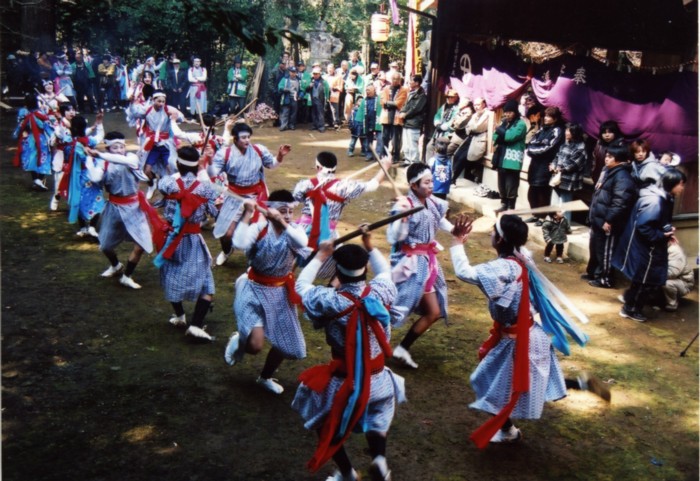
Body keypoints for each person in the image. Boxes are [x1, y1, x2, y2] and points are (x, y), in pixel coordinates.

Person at [448, 214, 607, 447]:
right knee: (526, 382)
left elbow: (465, 273)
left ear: (501, 240)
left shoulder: (506, 267)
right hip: (530, 335)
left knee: (485, 382)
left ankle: (509, 430)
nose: (491, 234)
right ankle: (580, 385)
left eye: (494, 231)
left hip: (519, 340)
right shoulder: (521, 258)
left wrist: (457, 242)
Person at [292, 234, 404, 481]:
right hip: (380, 380)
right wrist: (370, 246)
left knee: (322, 420)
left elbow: (301, 286)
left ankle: (347, 474)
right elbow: (385, 271)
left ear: (338, 273)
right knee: (379, 417)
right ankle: (379, 460)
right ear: (365, 268)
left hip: (345, 382)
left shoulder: (328, 299)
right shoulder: (383, 291)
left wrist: (321, 255)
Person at [223, 191, 311, 394]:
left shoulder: (294, 230)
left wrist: (283, 221)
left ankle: (265, 377)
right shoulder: (260, 229)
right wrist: (247, 213)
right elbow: (240, 242)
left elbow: (303, 243)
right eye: (282, 211)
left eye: (290, 211)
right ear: (270, 210)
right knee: (255, 346)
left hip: (280, 294)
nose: (287, 215)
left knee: (288, 345)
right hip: (253, 289)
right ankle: (240, 341)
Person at [387, 163, 454, 369]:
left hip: (428, 264)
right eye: (427, 182)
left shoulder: (432, 202)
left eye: (432, 181)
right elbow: (393, 237)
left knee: (433, 312)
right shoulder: (403, 205)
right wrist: (403, 219)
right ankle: (368, 342)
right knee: (395, 309)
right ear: (414, 186)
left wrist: (456, 232)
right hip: (409, 265)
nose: (431, 186)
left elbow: (439, 220)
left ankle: (402, 349)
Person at [293, 151, 392, 278]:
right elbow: (372, 185)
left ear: (318, 167)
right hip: (327, 233)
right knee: (341, 264)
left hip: (303, 230)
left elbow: (296, 197)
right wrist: (385, 166)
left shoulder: (305, 184)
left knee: (296, 252)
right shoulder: (343, 186)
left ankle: (290, 273)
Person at [157, 146, 220, 341]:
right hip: (193, 239)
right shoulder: (206, 188)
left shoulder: (166, 183)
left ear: (177, 164)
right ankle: (195, 324)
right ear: (197, 165)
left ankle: (180, 316)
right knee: (207, 284)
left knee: (170, 275)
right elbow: (215, 213)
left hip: (170, 239)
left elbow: (164, 196)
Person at [209, 122, 291, 266]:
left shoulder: (258, 150)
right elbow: (213, 173)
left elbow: (271, 164)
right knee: (226, 234)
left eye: (248, 137)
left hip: (256, 195)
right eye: (243, 138)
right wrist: (208, 161)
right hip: (234, 196)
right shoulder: (225, 153)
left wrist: (279, 156)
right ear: (235, 139)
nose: (247, 140)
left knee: (259, 231)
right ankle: (226, 251)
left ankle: (255, 259)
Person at [613, 168, 686, 322]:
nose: (682, 188)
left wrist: (668, 232)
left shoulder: (666, 197)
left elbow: (659, 221)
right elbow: (644, 227)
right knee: (645, 279)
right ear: (671, 183)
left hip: (651, 245)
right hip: (646, 247)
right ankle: (630, 309)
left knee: (645, 278)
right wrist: (661, 235)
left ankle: (629, 301)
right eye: (681, 184)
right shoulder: (654, 201)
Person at [84, 131, 152, 289]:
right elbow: (94, 178)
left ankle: (127, 276)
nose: (120, 150)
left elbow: (120, 159)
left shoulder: (131, 158)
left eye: (122, 146)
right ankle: (115, 265)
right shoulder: (103, 163)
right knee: (105, 244)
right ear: (108, 148)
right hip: (114, 207)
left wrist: (99, 155)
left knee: (142, 243)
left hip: (134, 207)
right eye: (115, 147)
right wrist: (89, 157)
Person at [584, 144, 637, 289]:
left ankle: (605, 279)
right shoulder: (609, 171)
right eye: (606, 156)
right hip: (598, 218)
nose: (606, 159)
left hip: (609, 222)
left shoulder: (622, 177)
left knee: (605, 251)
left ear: (619, 159)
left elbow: (620, 202)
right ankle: (593, 273)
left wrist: (609, 220)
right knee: (595, 248)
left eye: (610, 157)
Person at [60, 114, 106, 237]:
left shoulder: (69, 144)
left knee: (78, 200)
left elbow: (65, 156)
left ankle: (83, 227)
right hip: (90, 174)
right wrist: (99, 123)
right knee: (96, 199)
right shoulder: (88, 141)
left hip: (76, 177)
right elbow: (100, 136)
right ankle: (91, 226)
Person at [525, 106, 565, 225]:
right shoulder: (542, 129)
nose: (546, 118)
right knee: (532, 190)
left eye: (549, 117)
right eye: (546, 116)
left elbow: (549, 148)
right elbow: (531, 144)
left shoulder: (557, 130)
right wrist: (533, 150)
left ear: (555, 119)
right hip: (535, 164)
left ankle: (542, 217)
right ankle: (535, 214)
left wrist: (534, 151)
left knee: (542, 190)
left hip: (545, 165)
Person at [492, 99, 527, 213]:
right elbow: (494, 137)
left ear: (515, 112)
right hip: (501, 156)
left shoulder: (521, 124)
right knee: (501, 182)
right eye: (506, 112)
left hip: (512, 159)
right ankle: (503, 204)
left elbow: (510, 137)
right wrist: (500, 131)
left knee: (511, 184)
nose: (507, 114)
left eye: (510, 112)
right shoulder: (504, 123)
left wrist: (499, 129)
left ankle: (511, 207)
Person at [13, 93, 53, 191]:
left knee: (31, 159)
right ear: (36, 102)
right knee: (44, 158)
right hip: (41, 139)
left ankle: (36, 180)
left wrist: (18, 134)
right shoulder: (41, 112)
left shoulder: (23, 112)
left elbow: (20, 126)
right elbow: (47, 125)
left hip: (28, 139)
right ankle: (39, 180)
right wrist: (53, 135)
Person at [550, 123, 587, 222]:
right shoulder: (565, 144)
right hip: (557, 177)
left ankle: (564, 226)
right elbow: (557, 156)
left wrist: (560, 168)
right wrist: (553, 165)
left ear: (575, 133)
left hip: (569, 179)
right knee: (555, 203)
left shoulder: (580, 147)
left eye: (569, 131)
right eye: (566, 130)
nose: (566, 133)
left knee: (565, 204)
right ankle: (554, 224)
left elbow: (574, 164)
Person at [452, 97, 489, 184]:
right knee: (457, 155)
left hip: (479, 138)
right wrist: (472, 126)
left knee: (463, 158)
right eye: (475, 105)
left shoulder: (487, 113)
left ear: (483, 104)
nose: (476, 107)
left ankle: (453, 178)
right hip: (470, 137)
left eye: (478, 104)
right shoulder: (475, 114)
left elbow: (477, 127)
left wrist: (472, 126)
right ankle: (452, 176)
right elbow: (467, 128)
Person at [398, 74, 427, 167]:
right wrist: (402, 112)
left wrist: (405, 114)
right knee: (406, 144)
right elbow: (405, 105)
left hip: (414, 123)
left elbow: (416, 108)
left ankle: (414, 163)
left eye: (412, 81)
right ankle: (407, 160)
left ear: (417, 83)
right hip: (406, 122)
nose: (410, 82)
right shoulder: (411, 92)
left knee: (412, 144)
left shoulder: (422, 95)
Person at [379, 72, 408, 164]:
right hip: (386, 116)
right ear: (391, 79)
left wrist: (389, 103)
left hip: (397, 117)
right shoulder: (386, 88)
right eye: (393, 78)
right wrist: (390, 103)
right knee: (385, 137)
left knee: (396, 139)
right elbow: (382, 101)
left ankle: (396, 155)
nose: (395, 80)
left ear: (400, 80)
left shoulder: (404, 90)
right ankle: (384, 154)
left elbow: (399, 103)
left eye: (397, 79)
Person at [660, 237, 695, 312]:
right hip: (676, 278)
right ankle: (659, 297)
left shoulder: (674, 251)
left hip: (684, 283)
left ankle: (672, 304)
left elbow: (671, 273)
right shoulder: (664, 248)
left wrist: (653, 274)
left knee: (666, 283)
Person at [426, 89, 460, 160]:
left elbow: (453, 121)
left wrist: (443, 127)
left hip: (447, 133)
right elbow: (437, 115)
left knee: (439, 150)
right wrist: (437, 123)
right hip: (438, 132)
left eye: (451, 97)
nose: (449, 98)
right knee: (429, 146)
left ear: (456, 98)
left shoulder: (457, 109)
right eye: (447, 97)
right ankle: (429, 166)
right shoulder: (444, 106)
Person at [354, 84, 383, 161]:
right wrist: (358, 123)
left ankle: (377, 155)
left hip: (378, 122)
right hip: (367, 122)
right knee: (368, 140)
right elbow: (360, 112)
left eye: (369, 90)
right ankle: (369, 154)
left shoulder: (380, 99)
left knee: (379, 139)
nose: (367, 92)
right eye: (366, 90)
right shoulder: (364, 101)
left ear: (374, 91)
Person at [278, 66, 300, 131]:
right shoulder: (284, 79)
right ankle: (283, 125)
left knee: (294, 112)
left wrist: (300, 95)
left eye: (294, 72)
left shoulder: (298, 80)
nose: (293, 73)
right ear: (289, 72)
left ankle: (291, 125)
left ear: (296, 73)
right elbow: (279, 86)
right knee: (285, 112)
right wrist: (284, 89)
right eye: (292, 72)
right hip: (286, 97)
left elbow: (302, 89)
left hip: (295, 98)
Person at [308, 66, 330, 133]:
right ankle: (315, 125)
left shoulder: (324, 82)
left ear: (319, 74)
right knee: (314, 113)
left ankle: (321, 126)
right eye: (314, 74)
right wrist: (309, 86)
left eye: (316, 74)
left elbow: (327, 91)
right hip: (313, 99)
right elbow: (307, 89)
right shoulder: (311, 80)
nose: (315, 75)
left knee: (320, 113)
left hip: (320, 99)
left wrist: (327, 99)